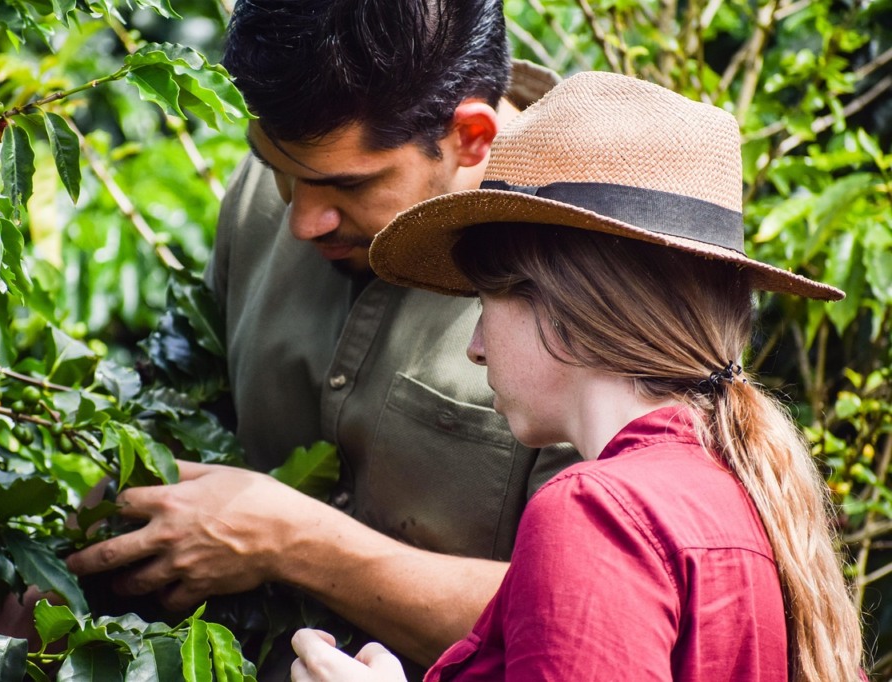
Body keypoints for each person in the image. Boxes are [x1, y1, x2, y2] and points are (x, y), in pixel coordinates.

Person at [289, 71, 865, 681]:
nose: (476, 349)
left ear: (564, 304)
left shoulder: (597, 512)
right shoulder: (734, 488)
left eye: (485, 304)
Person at [66, 0, 579, 677]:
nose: (304, 220)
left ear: (471, 138)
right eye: (281, 170)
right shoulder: (269, 191)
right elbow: (177, 422)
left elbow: (580, 618)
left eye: (347, 185)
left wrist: (293, 541)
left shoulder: (592, 281)